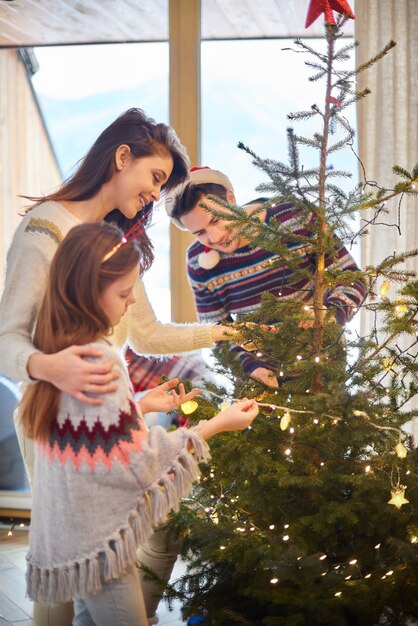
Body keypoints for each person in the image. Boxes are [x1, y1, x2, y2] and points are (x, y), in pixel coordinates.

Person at [0, 110, 234, 626]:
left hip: (109, 417)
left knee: (85, 567)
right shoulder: (46, 230)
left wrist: (224, 331)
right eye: (155, 178)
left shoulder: (113, 239)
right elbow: (5, 339)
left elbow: (147, 334)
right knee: (69, 569)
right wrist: (47, 366)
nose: (156, 194)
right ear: (121, 157)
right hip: (54, 425)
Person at [22, 221, 259, 626]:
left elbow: (87, 431)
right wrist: (215, 425)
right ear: (88, 292)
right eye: (123, 292)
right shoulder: (101, 358)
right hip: (100, 543)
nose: (132, 301)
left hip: (73, 531)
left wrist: (138, 404)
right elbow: (135, 465)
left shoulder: (58, 347)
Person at [166, 166, 367, 387]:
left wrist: (327, 317)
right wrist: (251, 369)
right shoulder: (198, 262)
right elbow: (216, 332)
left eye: (216, 220)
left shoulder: (294, 218)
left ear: (230, 199)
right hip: (258, 382)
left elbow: (351, 279)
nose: (215, 237)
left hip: (322, 365)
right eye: (200, 233)